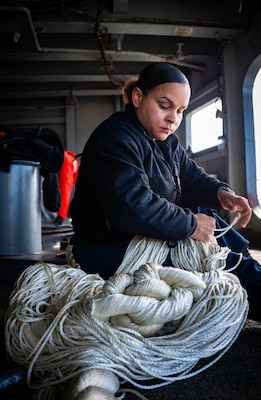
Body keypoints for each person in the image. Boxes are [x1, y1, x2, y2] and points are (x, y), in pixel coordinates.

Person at [69, 62, 261, 321]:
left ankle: (245, 266)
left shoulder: (165, 140)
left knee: (211, 225)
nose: (173, 118)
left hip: (136, 236)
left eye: (181, 111)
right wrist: (191, 224)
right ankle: (247, 277)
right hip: (106, 247)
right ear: (137, 97)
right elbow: (131, 208)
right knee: (210, 257)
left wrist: (222, 194)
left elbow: (190, 176)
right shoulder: (115, 139)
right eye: (164, 106)